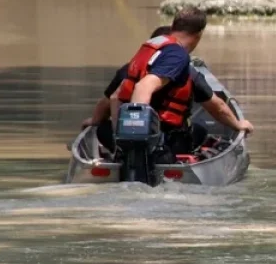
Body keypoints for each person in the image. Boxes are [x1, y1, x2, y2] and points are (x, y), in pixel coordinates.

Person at [108, 10, 254, 158]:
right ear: (199, 34)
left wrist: (120, 139)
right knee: (200, 130)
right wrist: (238, 124)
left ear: (173, 27)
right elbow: (143, 86)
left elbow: (115, 97)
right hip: (163, 141)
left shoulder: (151, 48)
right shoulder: (177, 55)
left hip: (140, 137)